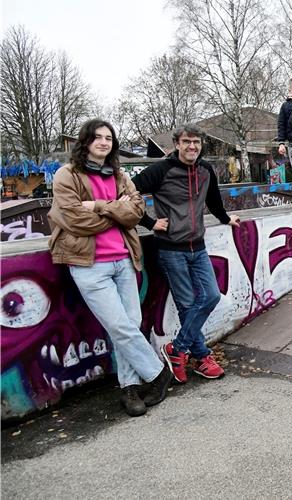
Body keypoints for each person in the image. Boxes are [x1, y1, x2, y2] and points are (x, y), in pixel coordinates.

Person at [48, 119, 171, 417]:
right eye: (97, 137)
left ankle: (129, 389)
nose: (103, 142)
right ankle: (158, 373)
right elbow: (75, 219)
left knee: (128, 325)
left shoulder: (117, 174)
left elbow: (137, 211)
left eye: (108, 138)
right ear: (86, 141)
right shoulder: (67, 175)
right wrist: (118, 209)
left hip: (124, 260)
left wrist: (100, 206)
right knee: (119, 325)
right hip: (89, 265)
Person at [133, 124, 241, 383]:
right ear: (177, 144)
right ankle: (202, 357)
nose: (192, 146)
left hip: (198, 246)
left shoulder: (205, 170)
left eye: (196, 142)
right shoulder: (161, 170)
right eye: (187, 142)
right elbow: (127, 192)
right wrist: (149, 223)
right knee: (187, 305)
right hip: (171, 249)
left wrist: (225, 218)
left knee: (211, 296)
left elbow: (213, 199)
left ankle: (176, 349)